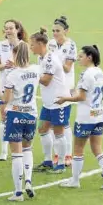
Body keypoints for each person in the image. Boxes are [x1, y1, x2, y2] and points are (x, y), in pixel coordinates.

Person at [56, 45, 103, 189]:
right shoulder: (100, 72)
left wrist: (66, 98)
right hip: (99, 116)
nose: (79, 59)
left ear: (89, 57)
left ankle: (75, 181)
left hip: (86, 118)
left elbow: (82, 97)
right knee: (97, 148)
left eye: (81, 56)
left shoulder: (86, 74)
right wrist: (73, 92)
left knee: (78, 149)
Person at [0, 42, 40, 201]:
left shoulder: (12, 75)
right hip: (31, 114)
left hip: (15, 115)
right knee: (28, 149)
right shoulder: (36, 70)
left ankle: (18, 192)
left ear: (15, 55)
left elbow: (6, 99)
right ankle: (28, 179)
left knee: (16, 154)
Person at [31, 28, 71, 174]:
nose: (31, 47)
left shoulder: (49, 59)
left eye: (32, 44)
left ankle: (60, 164)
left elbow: (46, 81)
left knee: (59, 132)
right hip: (49, 103)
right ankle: (48, 161)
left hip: (58, 102)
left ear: (41, 44)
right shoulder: (41, 58)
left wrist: (31, 75)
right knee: (42, 129)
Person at [0, 19, 28, 161]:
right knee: (3, 116)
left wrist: (15, 65)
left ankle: (19, 148)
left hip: (18, 86)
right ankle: (3, 151)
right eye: (6, 28)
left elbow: (26, 65)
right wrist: (5, 66)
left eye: (11, 28)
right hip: (3, 84)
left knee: (16, 116)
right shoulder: (0, 45)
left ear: (17, 29)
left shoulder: (22, 45)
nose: (8, 31)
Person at [48, 16, 77, 166]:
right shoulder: (51, 44)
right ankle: (57, 154)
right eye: (53, 31)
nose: (55, 34)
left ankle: (68, 155)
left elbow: (67, 68)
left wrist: (53, 59)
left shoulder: (71, 45)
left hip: (66, 87)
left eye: (58, 31)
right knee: (54, 124)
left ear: (65, 31)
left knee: (64, 123)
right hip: (53, 87)